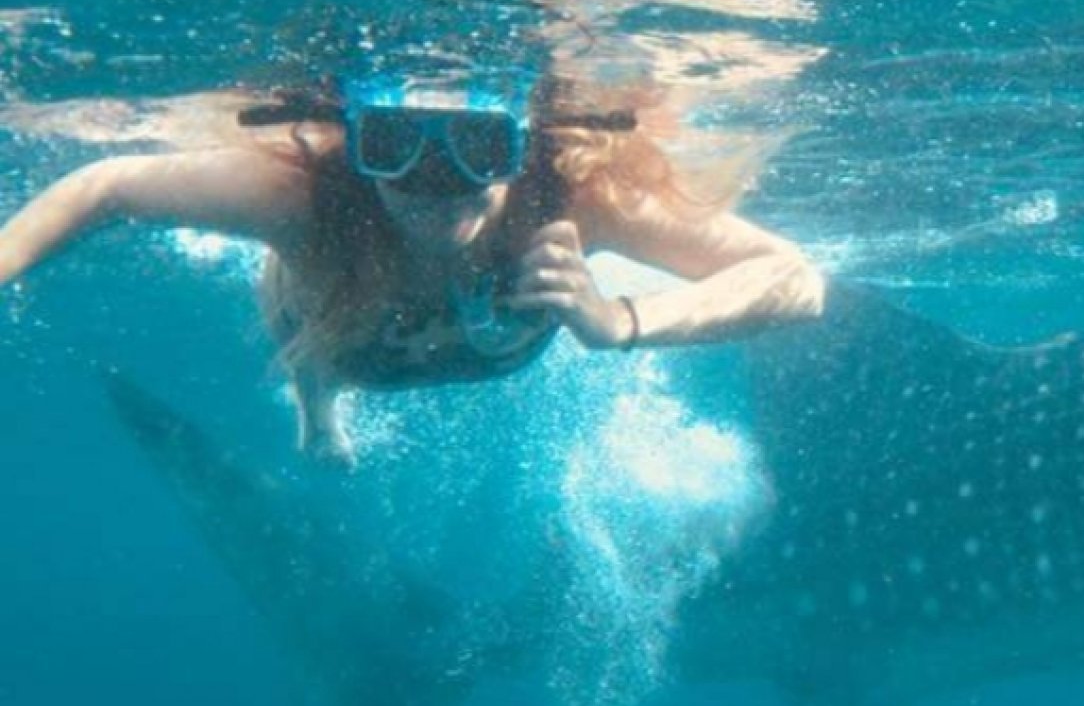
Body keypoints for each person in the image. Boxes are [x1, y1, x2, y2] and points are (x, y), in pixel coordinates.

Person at [0, 70, 825, 462]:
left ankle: (320, 405)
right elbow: (107, 185)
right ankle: (318, 412)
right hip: (338, 339)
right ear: (357, 147)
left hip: (459, 346)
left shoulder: (572, 196)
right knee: (309, 330)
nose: (439, 183)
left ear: (523, 144)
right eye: (396, 144)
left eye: (477, 145)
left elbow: (796, 278)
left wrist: (621, 322)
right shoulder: (300, 196)